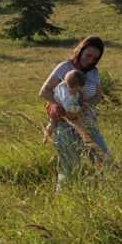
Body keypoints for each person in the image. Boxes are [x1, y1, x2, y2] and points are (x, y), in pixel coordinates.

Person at [38, 35, 109, 186]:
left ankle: (101, 193)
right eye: (88, 55)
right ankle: (61, 202)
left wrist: (83, 107)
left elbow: (98, 96)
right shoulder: (65, 67)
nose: (90, 60)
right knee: (69, 169)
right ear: (81, 50)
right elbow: (44, 91)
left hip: (88, 124)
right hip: (64, 124)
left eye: (95, 58)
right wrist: (64, 108)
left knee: (104, 159)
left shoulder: (94, 72)